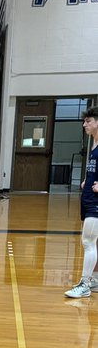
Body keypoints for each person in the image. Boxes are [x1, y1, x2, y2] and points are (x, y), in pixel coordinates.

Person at [65, 105, 98, 298]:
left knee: (88, 241)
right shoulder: (93, 143)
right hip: (88, 198)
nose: (84, 124)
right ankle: (93, 279)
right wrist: (88, 179)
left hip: (96, 201)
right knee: (93, 242)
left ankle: (84, 284)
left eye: (88, 121)